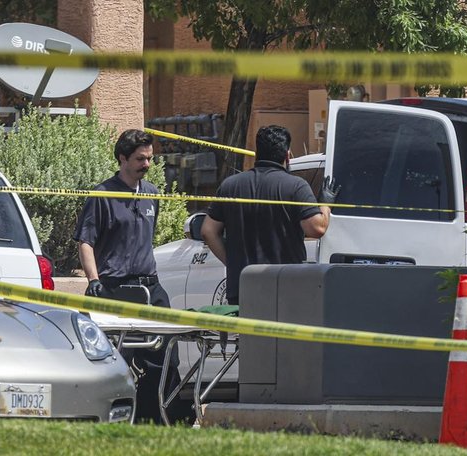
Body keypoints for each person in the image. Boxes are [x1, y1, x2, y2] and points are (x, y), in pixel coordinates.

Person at [73, 128, 183, 423]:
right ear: (122, 158)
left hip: (149, 286)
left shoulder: (151, 194)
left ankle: (161, 417)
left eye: (149, 158)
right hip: (112, 287)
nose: (146, 165)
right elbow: (86, 242)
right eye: (140, 159)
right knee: (107, 356)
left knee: (167, 352)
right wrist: (93, 280)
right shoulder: (103, 195)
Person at [200, 125, 340, 305]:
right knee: (281, 334)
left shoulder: (230, 186)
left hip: (244, 287)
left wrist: (234, 263)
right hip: (284, 288)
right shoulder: (296, 186)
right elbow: (317, 228)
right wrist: (325, 205)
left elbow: (207, 231)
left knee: (249, 334)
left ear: (257, 153)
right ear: (287, 155)